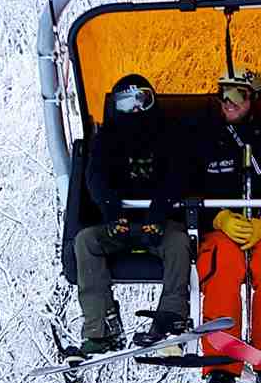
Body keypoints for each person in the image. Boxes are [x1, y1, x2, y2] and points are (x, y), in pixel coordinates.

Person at [68, 74, 194, 356]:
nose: (135, 109)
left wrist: (158, 213)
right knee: (86, 241)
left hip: (159, 223)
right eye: (127, 103)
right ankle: (101, 329)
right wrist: (113, 214)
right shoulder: (106, 140)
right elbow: (96, 179)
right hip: (120, 225)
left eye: (142, 100)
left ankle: (171, 318)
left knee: (178, 243)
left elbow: (177, 176)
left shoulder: (168, 135)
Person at [189, 67, 261, 383]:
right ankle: (221, 366)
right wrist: (218, 217)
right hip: (222, 230)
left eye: (238, 95)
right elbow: (185, 185)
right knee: (222, 263)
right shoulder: (205, 139)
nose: (229, 102)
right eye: (223, 94)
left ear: (255, 99)